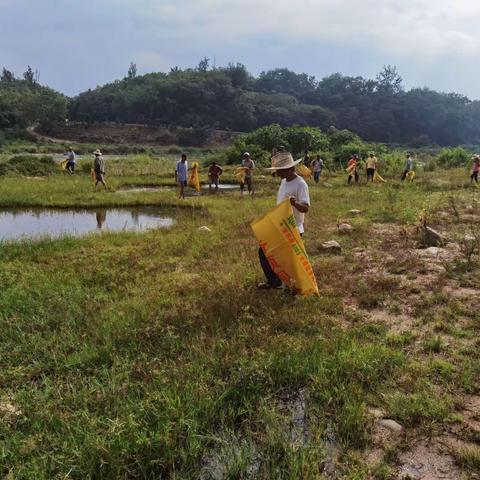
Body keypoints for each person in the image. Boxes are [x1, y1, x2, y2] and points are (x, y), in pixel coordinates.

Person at [258, 151, 310, 289]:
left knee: (291, 261)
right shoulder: (283, 181)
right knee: (264, 251)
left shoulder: (300, 184)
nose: (277, 173)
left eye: (279, 170)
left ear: (288, 168)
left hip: (293, 229)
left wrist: (294, 203)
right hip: (280, 227)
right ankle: (274, 282)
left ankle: (295, 287)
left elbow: (305, 208)